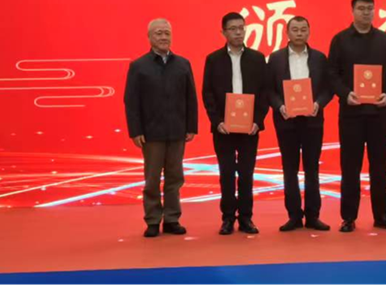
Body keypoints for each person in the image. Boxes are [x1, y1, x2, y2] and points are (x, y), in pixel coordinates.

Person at [328, 0, 386, 233]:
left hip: (380, 113)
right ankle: (348, 217)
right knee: (350, 167)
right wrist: (345, 93)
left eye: (370, 8)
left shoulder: (385, 40)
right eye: (361, 8)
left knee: (380, 167)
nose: (366, 12)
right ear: (352, 11)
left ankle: (382, 215)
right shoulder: (340, 40)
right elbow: (332, 74)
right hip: (351, 113)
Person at [124, 18, 198, 238]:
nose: (164, 37)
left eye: (167, 33)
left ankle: (172, 218)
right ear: (149, 37)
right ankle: (153, 219)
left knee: (175, 178)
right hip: (151, 133)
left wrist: (191, 126)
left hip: (177, 130)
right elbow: (131, 101)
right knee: (152, 179)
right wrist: (135, 130)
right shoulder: (139, 66)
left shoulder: (183, 64)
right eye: (158, 33)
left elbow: (191, 98)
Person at [202, 12, 269, 235]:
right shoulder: (213, 59)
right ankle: (228, 218)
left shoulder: (257, 58)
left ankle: (246, 218)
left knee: (247, 174)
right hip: (224, 128)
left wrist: (258, 121)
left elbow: (264, 92)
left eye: (241, 28)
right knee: (227, 173)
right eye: (233, 29)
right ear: (223, 32)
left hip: (250, 128)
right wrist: (217, 121)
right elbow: (208, 94)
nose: (238, 32)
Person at [266, 16, 332, 232]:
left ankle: (313, 215)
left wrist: (318, 104)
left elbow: (328, 88)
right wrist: (279, 106)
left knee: (312, 168)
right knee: (290, 169)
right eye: (295, 29)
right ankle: (294, 216)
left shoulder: (319, 58)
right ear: (287, 33)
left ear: (309, 32)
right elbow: (268, 89)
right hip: (286, 121)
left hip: (312, 121)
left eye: (303, 29)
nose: (299, 33)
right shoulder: (275, 58)